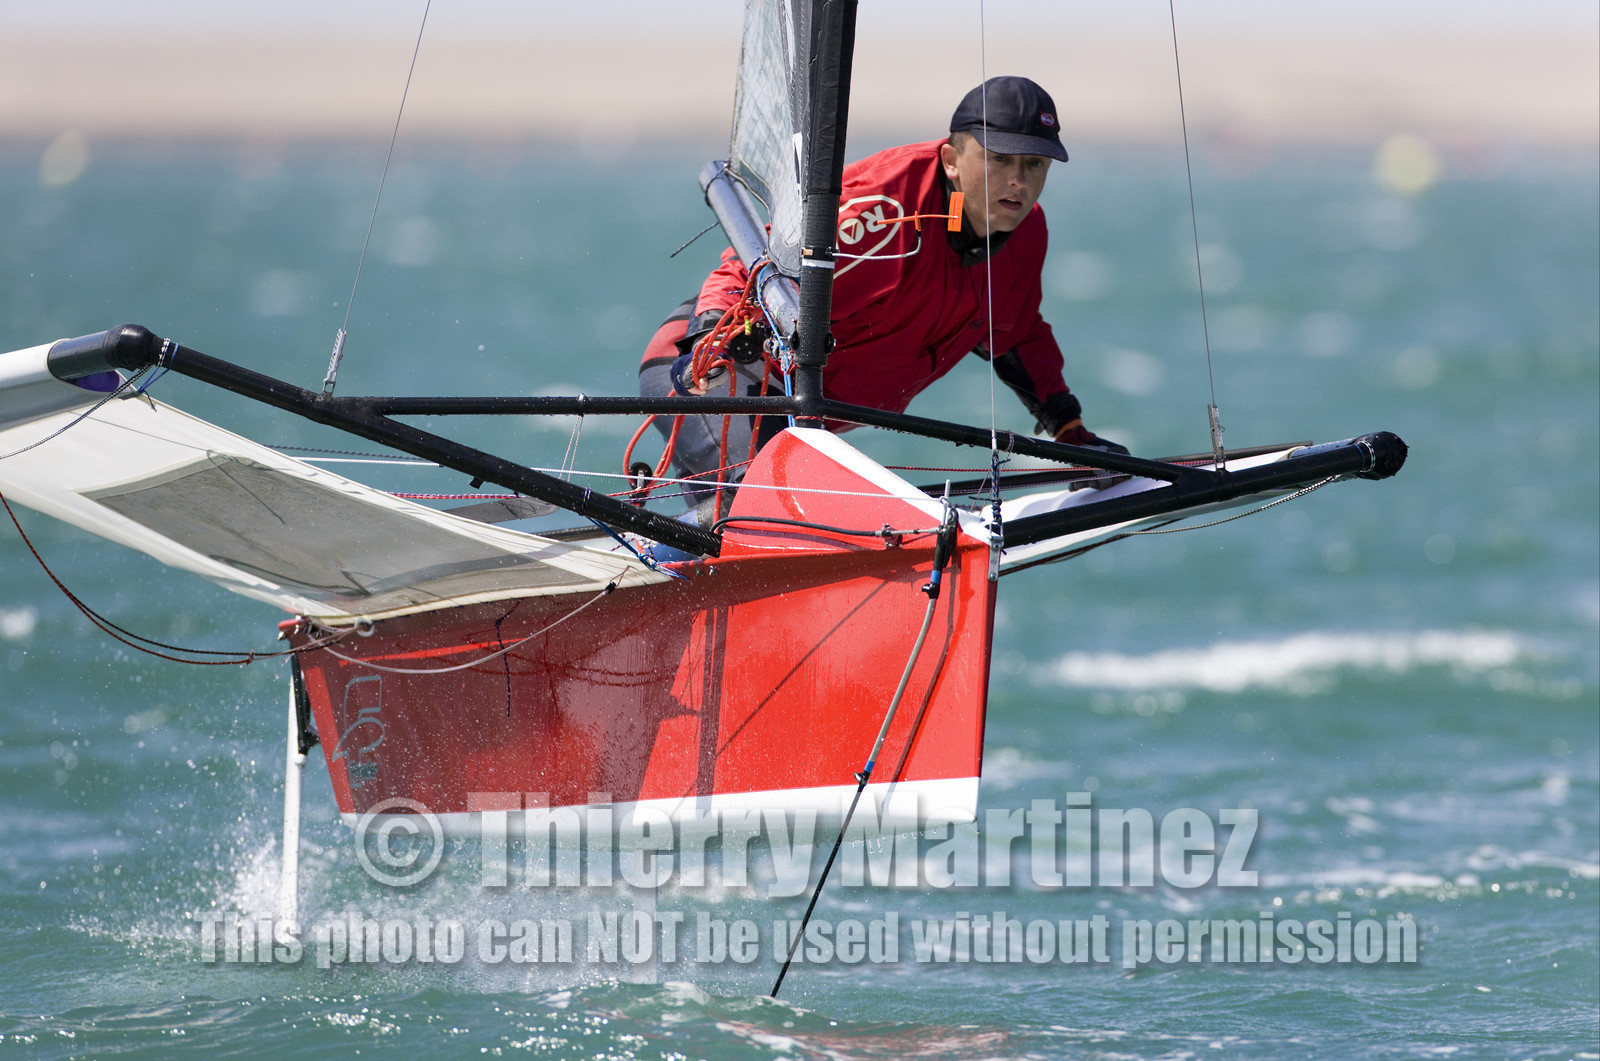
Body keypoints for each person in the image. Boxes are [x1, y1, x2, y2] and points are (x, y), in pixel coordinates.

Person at [637, 75, 1125, 511]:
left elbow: (1016, 336)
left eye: (1035, 164)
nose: (1019, 181)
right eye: (999, 160)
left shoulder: (1024, 233)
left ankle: (682, 545)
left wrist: (1069, 432)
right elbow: (750, 268)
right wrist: (705, 340)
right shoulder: (886, 209)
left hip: (800, 413)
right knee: (761, 510)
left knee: (775, 512)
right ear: (953, 160)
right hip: (710, 373)